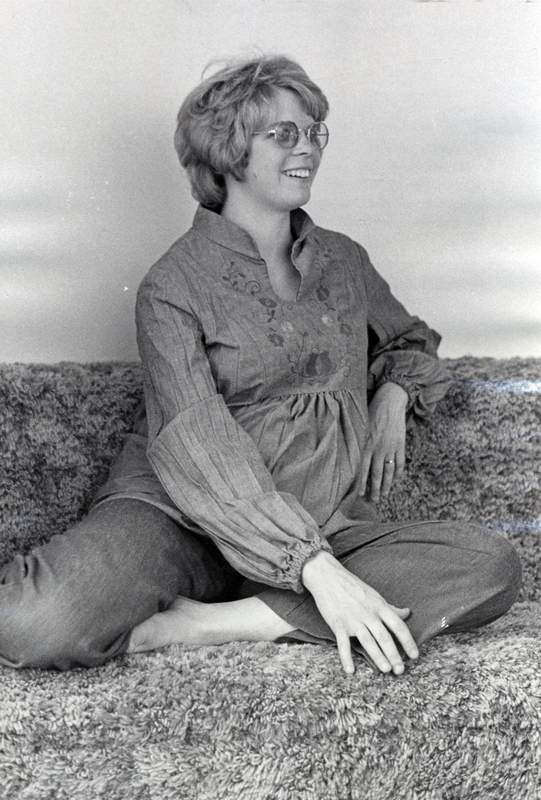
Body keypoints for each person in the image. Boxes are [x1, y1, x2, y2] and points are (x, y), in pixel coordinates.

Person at [0, 56, 521, 675]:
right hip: (181, 519)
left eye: (313, 132)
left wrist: (392, 398)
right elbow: (196, 439)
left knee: (492, 564)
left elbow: (409, 341)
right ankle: (289, 598)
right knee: (33, 621)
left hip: (323, 518)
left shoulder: (343, 260)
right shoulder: (172, 285)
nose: (308, 149)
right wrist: (311, 566)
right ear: (227, 151)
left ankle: (216, 623)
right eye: (284, 133)